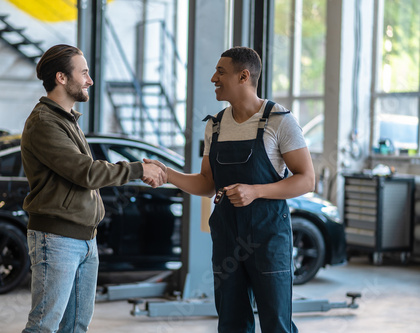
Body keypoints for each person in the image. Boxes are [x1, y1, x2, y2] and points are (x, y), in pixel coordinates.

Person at [145, 46, 315, 332]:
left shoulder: (280, 121)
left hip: (268, 237)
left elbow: (307, 179)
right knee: (231, 321)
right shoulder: (215, 126)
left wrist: (256, 191)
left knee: (276, 323)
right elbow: (207, 183)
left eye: (221, 72)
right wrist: (168, 174)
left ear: (243, 76)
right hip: (227, 235)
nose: (214, 78)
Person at [21, 44, 166, 332]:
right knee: (43, 326)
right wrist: (137, 169)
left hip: (85, 239)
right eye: (84, 73)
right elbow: (85, 172)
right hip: (57, 238)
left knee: (76, 326)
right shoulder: (44, 122)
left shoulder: (67, 120)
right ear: (62, 78)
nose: (90, 80)